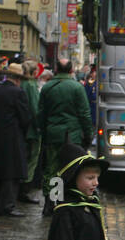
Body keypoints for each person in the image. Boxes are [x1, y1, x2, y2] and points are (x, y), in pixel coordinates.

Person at [37, 57, 94, 216]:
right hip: (72, 135)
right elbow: (84, 114)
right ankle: (64, 202)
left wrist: (43, 130)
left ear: (56, 69)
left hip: (52, 134)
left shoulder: (48, 87)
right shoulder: (76, 87)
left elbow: (41, 113)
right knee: (68, 169)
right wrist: (87, 135)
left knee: (52, 168)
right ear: (70, 70)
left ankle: (51, 203)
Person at [0, 62, 33, 216]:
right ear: (19, 79)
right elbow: (25, 118)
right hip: (12, 137)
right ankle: (8, 206)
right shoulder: (18, 92)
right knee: (11, 174)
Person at [18, 63, 43, 206]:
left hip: (22, 128)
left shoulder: (21, 83)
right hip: (32, 130)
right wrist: (39, 127)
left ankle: (21, 188)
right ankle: (24, 190)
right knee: (32, 159)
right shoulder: (31, 85)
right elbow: (35, 108)